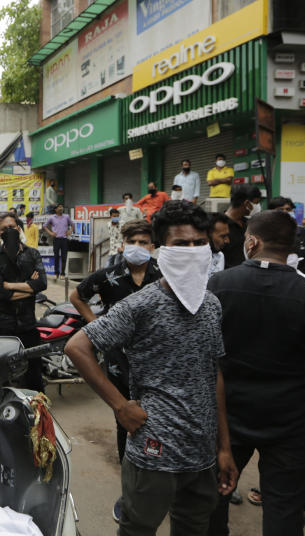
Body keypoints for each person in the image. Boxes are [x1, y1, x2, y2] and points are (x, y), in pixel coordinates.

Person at [64, 201, 238, 536]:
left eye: (199, 243)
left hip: (202, 452)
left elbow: (212, 372)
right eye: (180, 244)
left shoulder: (212, 304)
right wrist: (120, 406)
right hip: (154, 451)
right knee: (138, 529)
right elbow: (77, 347)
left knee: (194, 527)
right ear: (162, 250)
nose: (192, 251)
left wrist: (224, 447)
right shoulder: (141, 305)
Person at [206, 210, 305, 536]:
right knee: (284, 508)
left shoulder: (217, 285)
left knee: (215, 496)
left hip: (226, 418)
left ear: (252, 241)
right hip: (293, 422)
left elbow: (201, 359)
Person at [69, 218, 161, 524]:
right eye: (133, 241)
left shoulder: (162, 275)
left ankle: (160, 483)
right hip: (119, 360)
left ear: (153, 246)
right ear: (123, 244)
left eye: (145, 242)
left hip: (156, 359)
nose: (139, 247)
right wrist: (94, 324)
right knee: (126, 419)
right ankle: (131, 489)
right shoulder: (108, 276)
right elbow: (77, 296)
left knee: (158, 419)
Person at [0, 214, 47, 391]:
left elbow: (41, 283)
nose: (9, 231)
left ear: (19, 228)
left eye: (12, 227)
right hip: (3, 327)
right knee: (0, 377)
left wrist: (9, 286)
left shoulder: (33, 254)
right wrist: (29, 288)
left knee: (34, 376)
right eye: (4, 229)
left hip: (28, 326)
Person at [222, 185, 261, 269]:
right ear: (247, 203)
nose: (258, 207)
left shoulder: (249, 224)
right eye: (256, 203)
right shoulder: (220, 225)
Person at [45, 203, 74, 279]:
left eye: (61, 207)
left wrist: (70, 231)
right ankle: (56, 273)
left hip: (64, 239)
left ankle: (63, 274)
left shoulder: (66, 216)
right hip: (56, 239)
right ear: (55, 209)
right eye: (59, 207)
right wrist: (51, 233)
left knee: (64, 257)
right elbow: (44, 226)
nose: (61, 208)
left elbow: (73, 225)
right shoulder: (52, 218)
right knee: (56, 256)